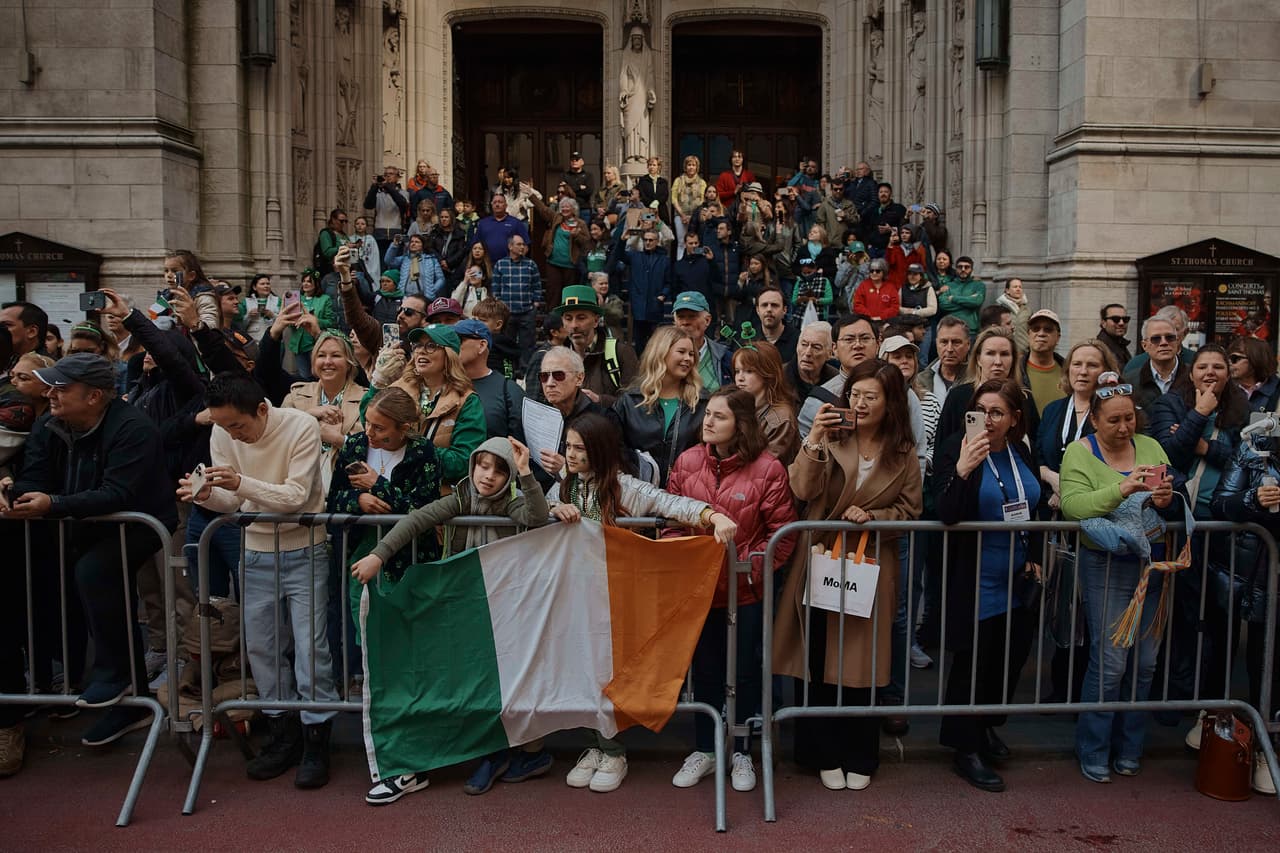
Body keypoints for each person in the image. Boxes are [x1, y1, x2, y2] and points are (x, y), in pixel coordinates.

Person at [349, 435, 550, 802]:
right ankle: (474, 752)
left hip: (504, 608)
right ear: (472, 465)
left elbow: (537, 517)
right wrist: (379, 555)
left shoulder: (511, 504)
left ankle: (494, 754)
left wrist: (525, 473)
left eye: (498, 470)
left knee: (497, 681)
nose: (487, 476)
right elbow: (414, 521)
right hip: (461, 605)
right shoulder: (458, 499)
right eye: (482, 466)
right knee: (459, 677)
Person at [550, 412, 737, 793]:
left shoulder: (622, 486)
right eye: (567, 446)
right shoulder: (565, 487)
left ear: (599, 451)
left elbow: (668, 502)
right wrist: (555, 509)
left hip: (617, 596)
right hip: (577, 595)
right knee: (583, 670)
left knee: (609, 673)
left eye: (579, 448)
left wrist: (710, 515)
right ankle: (593, 744)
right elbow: (543, 510)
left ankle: (614, 751)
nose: (570, 455)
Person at [2, 354, 176, 752]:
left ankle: (116, 675)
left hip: (138, 520)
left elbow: (117, 493)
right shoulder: (49, 424)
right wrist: (13, 490)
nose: (51, 394)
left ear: (94, 395)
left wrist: (54, 504)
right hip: (77, 518)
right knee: (56, 577)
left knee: (95, 571)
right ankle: (108, 688)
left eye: (61, 388)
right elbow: (36, 474)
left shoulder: (134, 428)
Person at [180, 371, 337, 789]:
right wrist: (204, 494)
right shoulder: (221, 433)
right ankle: (283, 735)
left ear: (263, 409)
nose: (233, 434)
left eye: (238, 425)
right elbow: (230, 500)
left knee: (310, 646)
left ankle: (317, 739)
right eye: (224, 426)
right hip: (254, 549)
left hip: (306, 547)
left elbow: (296, 496)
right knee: (262, 647)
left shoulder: (301, 425)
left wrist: (238, 484)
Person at [773, 359, 923, 791]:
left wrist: (873, 515)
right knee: (817, 656)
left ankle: (860, 752)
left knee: (863, 663)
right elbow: (801, 490)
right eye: (855, 393)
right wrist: (815, 439)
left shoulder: (903, 452)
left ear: (890, 401)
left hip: (869, 561)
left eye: (870, 396)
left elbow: (912, 510)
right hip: (819, 556)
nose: (859, 402)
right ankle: (817, 752)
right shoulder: (831, 436)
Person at [667, 387, 798, 793]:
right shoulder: (687, 461)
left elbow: (782, 537)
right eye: (707, 414)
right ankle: (706, 749)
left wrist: (746, 570)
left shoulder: (768, 468)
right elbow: (671, 516)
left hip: (746, 593)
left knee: (744, 670)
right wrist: (684, 555)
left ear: (740, 424)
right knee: (704, 669)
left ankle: (741, 749)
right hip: (699, 591)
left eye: (719, 417)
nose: (708, 421)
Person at [1058, 375, 1180, 785]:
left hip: (1153, 564)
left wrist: (1166, 497)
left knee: (1144, 665)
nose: (1125, 427)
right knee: (1110, 664)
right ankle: (1093, 748)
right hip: (1106, 566)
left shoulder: (1150, 446)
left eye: (1130, 418)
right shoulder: (1079, 452)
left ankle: (1130, 747)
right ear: (1094, 420)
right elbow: (1073, 508)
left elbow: (1170, 490)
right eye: (1114, 420)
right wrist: (1122, 489)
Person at [934, 378, 1042, 792]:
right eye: (981, 412)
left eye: (998, 413)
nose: (989, 421)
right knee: (973, 665)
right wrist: (963, 469)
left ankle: (986, 726)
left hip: (1016, 575)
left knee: (1007, 660)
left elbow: (1032, 509)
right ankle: (965, 746)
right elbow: (945, 511)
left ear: (1015, 418)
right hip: (975, 577)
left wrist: (1033, 555)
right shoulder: (956, 450)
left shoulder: (1021, 453)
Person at [1210, 427, 1280, 794]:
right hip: (1259, 578)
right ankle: (1263, 751)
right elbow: (1221, 504)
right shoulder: (1254, 449)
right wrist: (1253, 498)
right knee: (1262, 662)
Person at [1147, 345, 1246, 520]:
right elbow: (1167, 456)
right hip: (1183, 511)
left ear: (1228, 375)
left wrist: (1206, 448)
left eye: (1218, 367)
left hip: (1226, 511)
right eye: (1202, 367)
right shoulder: (1168, 404)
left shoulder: (1242, 408)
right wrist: (1200, 412)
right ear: (1191, 375)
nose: (1210, 372)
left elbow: (1245, 462)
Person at [383, 324, 485, 488]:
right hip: (391, 489)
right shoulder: (400, 387)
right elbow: (370, 427)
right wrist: (377, 382)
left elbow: (464, 461)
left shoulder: (467, 401)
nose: (421, 351)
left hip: (438, 498)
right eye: (417, 345)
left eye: (431, 346)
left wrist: (414, 448)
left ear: (449, 355)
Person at [612, 325, 707, 488]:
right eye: (681, 352)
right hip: (637, 495)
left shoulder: (702, 403)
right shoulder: (629, 401)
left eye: (692, 354)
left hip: (686, 495)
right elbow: (613, 450)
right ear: (661, 353)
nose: (688, 359)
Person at [279, 331, 367, 490]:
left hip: (347, 489)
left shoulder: (367, 400)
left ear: (349, 362)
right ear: (313, 362)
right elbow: (277, 438)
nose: (327, 362)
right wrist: (308, 416)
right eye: (321, 355)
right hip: (299, 487)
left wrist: (338, 439)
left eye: (335, 355)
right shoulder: (295, 395)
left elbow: (375, 450)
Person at [1037, 344, 1120, 511]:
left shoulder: (1113, 413)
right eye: (1077, 364)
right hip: (1050, 510)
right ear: (1068, 369)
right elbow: (1036, 456)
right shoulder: (1052, 410)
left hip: (1093, 508)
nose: (1083, 371)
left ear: (1106, 372)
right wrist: (1051, 477)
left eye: (1092, 365)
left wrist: (1068, 490)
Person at [935, 327, 1039, 455]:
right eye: (990, 353)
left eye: (1005, 354)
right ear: (978, 358)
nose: (998, 362)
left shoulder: (1024, 399)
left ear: (1013, 360)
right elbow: (942, 450)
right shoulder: (958, 396)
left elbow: (1034, 451)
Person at [547, 284, 637, 408]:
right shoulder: (555, 358)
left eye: (581, 318)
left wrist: (600, 400)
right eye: (568, 318)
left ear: (596, 321)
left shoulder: (621, 352)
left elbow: (636, 403)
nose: (574, 325)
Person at [455, 318, 524, 441]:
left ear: (481, 346)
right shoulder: (440, 383)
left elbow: (518, 445)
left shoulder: (509, 390)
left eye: (458, 339)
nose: (452, 345)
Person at [607, 222, 670, 354]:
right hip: (639, 305)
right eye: (645, 240)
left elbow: (669, 282)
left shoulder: (664, 260)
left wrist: (663, 295)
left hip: (655, 304)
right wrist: (622, 240)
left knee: (655, 341)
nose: (648, 242)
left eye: (651, 240)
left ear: (657, 241)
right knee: (639, 342)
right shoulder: (635, 256)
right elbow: (619, 255)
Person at [733, 342, 799, 465]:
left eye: (749, 371)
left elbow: (766, 467)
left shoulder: (780, 418)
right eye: (737, 371)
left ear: (767, 373)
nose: (740, 378)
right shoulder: (737, 406)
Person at [490, 234, 543, 368]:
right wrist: (499, 305)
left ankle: (526, 371)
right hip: (507, 313)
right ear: (510, 246)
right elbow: (495, 287)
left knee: (528, 344)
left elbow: (537, 286)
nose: (522, 247)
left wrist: (535, 303)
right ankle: (511, 370)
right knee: (508, 343)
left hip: (527, 311)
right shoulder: (501, 265)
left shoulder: (531, 264)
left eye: (523, 244)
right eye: (519, 244)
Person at [530, 193, 590, 309]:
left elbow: (586, 243)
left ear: (574, 209)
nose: (564, 209)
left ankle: (568, 318)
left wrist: (577, 235)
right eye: (562, 206)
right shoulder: (557, 218)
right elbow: (543, 209)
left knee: (569, 294)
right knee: (553, 292)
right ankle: (552, 319)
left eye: (567, 207)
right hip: (553, 262)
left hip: (570, 264)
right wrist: (531, 196)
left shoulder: (580, 224)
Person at [1123, 314, 1188, 412]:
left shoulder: (1194, 377)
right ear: (1144, 346)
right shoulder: (1129, 382)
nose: (1163, 343)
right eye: (1156, 339)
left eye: (1169, 337)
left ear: (1177, 341)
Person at [672, 291, 732, 392]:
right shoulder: (663, 357)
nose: (685, 322)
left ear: (707, 320)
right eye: (681, 317)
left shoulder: (725, 358)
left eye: (692, 316)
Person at [287, 270, 336, 381]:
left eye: (309, 281)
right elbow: (290, 322)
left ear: (316, 284)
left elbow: (330, 322)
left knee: (319, 376)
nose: (305, 284)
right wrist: (292, 320)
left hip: (316, 344)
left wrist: (314, 320)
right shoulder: (297, 299)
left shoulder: (324, 299)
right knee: (305, 378)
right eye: (303, 281)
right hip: (300, 345)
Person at [785, 321, 838, 408]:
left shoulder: (836, 381)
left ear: (829, 353)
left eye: (816, 347)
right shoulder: (778, 378)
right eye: (804, 345)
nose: (808, 352)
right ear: (797, 346)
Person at [1023, 309, 1066, 416]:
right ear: (1029, 334)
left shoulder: (1070, 372)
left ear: (1058, 337)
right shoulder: (1014, 370)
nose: (1041, 333)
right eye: (1035, 329)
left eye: (1048, 329)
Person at [363, 167, 410, 256]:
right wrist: (374, 186)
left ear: (397, 177)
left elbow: (403, 204)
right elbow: (368, 205)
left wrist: (388, 186)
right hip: (380, 232)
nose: (387, 176)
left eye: (391, 174)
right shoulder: (378, 193)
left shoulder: (403, 193)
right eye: (385, 174)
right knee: (381, 261)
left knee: (394, 261)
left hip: (395, 231)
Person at [471, 194, 532, 263]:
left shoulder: (516, 223)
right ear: (491, 205)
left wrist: (517, 263)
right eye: (495, 202)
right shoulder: (483, 223)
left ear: (506, 205)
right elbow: (475, 245)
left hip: (509, 265)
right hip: (487, 265)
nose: (497, 204)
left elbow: (525, 246)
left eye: (500, 202)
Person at [1227, 335, 1280, 413]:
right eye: (1227, 358)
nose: (1229, 363)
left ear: (1255, 358)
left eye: (1235, 358)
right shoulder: (1225, 388)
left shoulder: (1277, 391)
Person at [935, 255, 985, 338]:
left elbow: (977, 301)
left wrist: (953, 298)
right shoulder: (948, 286)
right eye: (960, 267)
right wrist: (969, 300)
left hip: (970, 330)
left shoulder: (979, 285)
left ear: (972, 269)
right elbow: (943, 305)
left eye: (967, 267)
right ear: (956, 268)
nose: (963, 269)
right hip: (950, 329)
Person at [672, 155, 709, 257]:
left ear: (697, 167)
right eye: (689, 165)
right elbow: (674, 199)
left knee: (695, 242)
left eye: (693, 165)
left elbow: (703, 200)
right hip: (680, 216)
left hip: (696, 217)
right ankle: (680, 265)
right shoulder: (678, 181)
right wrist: (683, 215)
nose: (691, 167)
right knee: (681, 242)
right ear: (685, 167)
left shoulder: (702, 183)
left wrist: (692, 216)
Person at [752, 286, 798, 365]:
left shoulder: (799, 341)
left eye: (774, 305)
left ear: (784, 310)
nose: (769, 309)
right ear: (757, 310)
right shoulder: (748, 341)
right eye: (764, 305)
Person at [852, 257, 899, 323]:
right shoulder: (863, 285)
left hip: (886, 322)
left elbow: (895, 307)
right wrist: (869, 317)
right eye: (872, 271)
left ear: (884, 272)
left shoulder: (891, 287)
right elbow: (857, 305)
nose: (874, 273)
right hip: (866, 322)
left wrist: (881, 317)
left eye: (877, 271)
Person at [997, 279, 1031, 354]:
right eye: (1015, 287)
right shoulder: (1000, 308)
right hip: (1005, 350)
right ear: (1007, 290)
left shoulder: (1027, 310)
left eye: (1020, 287)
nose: (1018, 289)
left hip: (1024, 351)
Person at [1096, 304, 1132, 370]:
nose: (1121, 323)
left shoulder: (1120, 344)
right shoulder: (1100, 348)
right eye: (1116, 319)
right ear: (1103, 323)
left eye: (1125, 319)